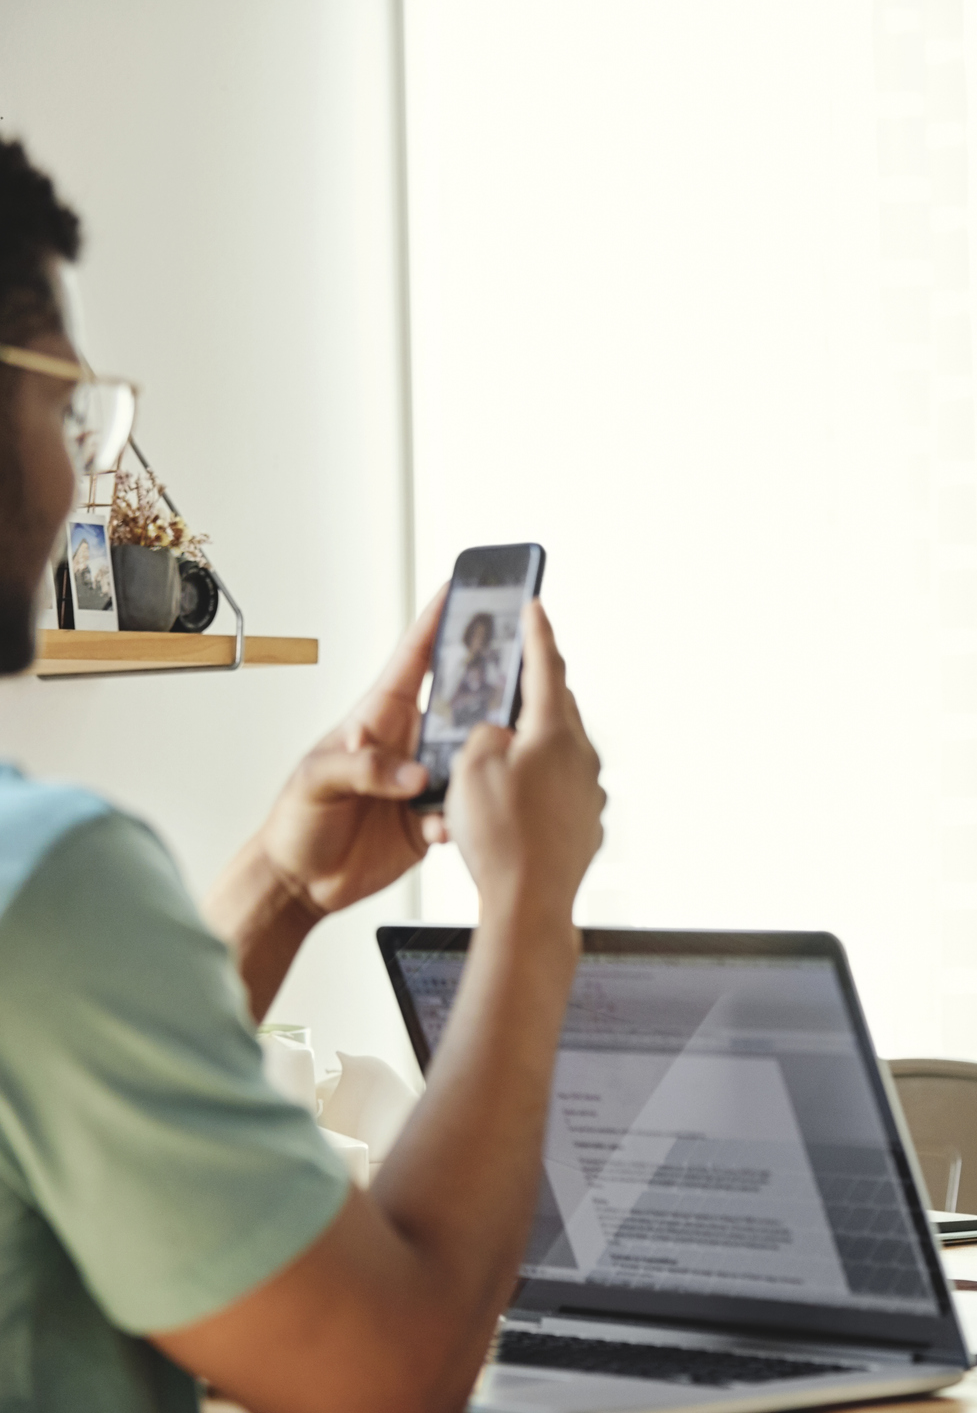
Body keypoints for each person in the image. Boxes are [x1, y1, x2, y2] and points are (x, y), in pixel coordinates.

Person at [0, 138, 607, 1411]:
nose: (75, 472)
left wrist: (283, 882)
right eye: (66, 406)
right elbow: (393, 1365)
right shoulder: (46, 883)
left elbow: (64, 1096)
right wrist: (534, 906)